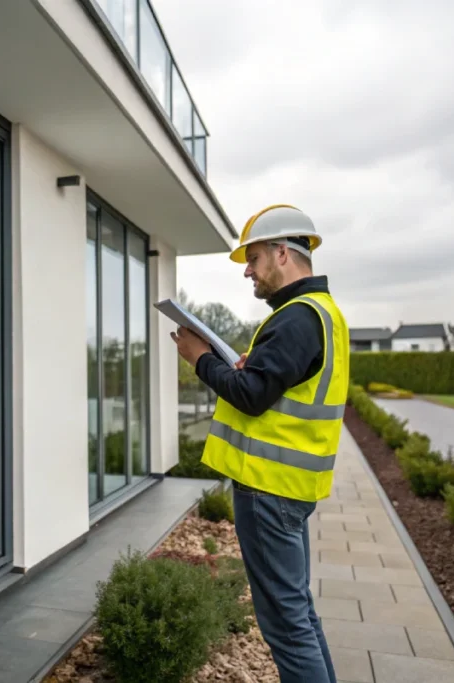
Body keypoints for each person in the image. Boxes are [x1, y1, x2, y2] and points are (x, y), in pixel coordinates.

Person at [172, 204, 349, 683]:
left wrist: (200, 358)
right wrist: (250, 364)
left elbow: (251, 397)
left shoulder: (296, 318)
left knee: (287, 627)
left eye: (253, 259)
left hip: (268, 489)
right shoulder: (320, 314)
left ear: (282, 253)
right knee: (300, 615)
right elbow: (276, 385)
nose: (247, 271)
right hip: (289, 487)